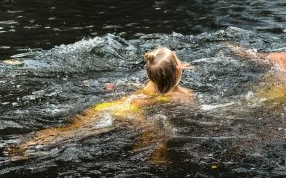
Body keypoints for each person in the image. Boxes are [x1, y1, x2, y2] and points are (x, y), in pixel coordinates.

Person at [10, 47, 194, 159]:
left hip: (109, 106)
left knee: (72, 131)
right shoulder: (181, 95)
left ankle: (28, 143)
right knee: (156, 132)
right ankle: (153, 157)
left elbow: (163, 74)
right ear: (178, 70)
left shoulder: (150, 83)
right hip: (127, 113)